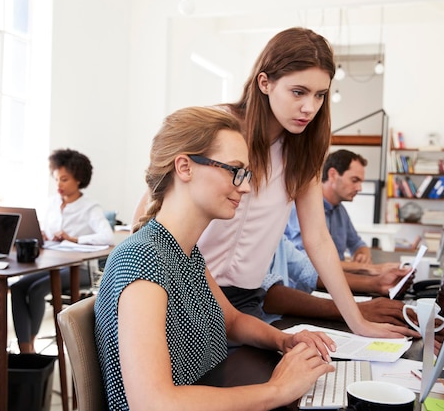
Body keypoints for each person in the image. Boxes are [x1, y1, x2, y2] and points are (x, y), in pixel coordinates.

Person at [134, 27, 410, 338]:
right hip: (188, 287)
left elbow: (317, 239)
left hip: (248, 298)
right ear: (265, 82)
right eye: (298, 92)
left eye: (320, 95)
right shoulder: (218, 128)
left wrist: (358, 321)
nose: (310, 107)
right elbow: (147, 213)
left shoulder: (304, 150)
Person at [95, 107, 336, 411]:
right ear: (185, 167)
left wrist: (283, 341)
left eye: (246, 174)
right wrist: (277, 390)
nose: (246, 187)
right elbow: (153, 403)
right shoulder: (142, 260)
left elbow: (232, 321)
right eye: (235, 171)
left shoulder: (187, 253)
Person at [10, 148, 114, 354]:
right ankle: (25, 351)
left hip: (81, 269)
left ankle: (29, 350)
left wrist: (73, 238)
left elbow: (107, 237)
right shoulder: (52, 203)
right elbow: (47, 231)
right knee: (18, 288)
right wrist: (44, 235)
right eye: (57, 179)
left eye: (64, 180)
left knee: (36, 290)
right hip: (52, 265)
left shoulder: (90, 207)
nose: (59, 185)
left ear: (78, 179)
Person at [260, 236, 417, 332]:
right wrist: (353, 310)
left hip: (280, 325)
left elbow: (308, 271)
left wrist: (376, 284)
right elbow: (265, 295)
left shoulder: (277, 229)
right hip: (250, 342)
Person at [285, 149, 403, 277]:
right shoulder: (302, 209)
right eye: (354, 180)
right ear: (333, 175)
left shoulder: (339, 210)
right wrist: (365, 268)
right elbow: (310, 263)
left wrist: (362, 254)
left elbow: (357, 244)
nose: (360, 188)